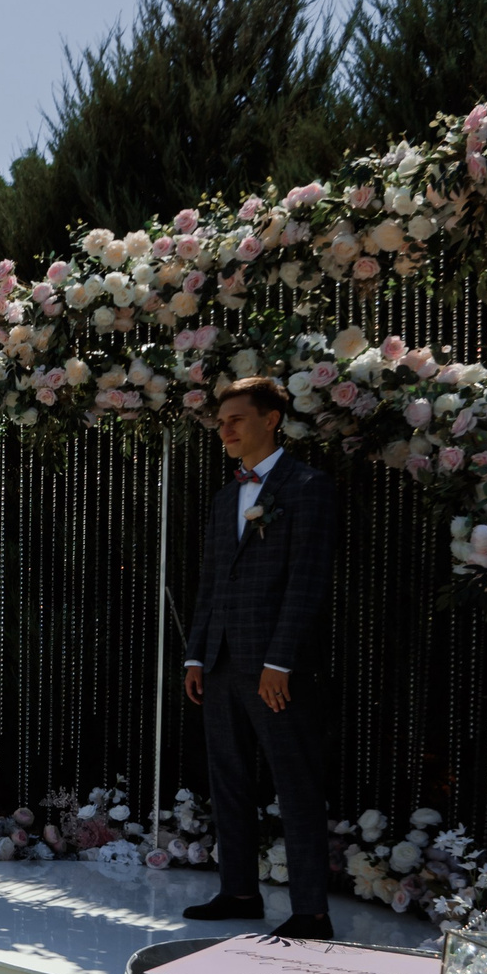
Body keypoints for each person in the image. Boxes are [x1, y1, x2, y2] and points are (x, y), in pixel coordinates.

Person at [181, 377, 340, 940]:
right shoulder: (228, 496)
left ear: (271, 419)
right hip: (221, 662)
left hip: (275, 670)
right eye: (221, 421)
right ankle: (239, 892)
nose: (224, 430)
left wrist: (281, 662)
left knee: (294, 782)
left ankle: (311, 912)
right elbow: (210, 584)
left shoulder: (307, 487)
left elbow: (307, 582)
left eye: (236, 419)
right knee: (228, 780)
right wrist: (194, 656)